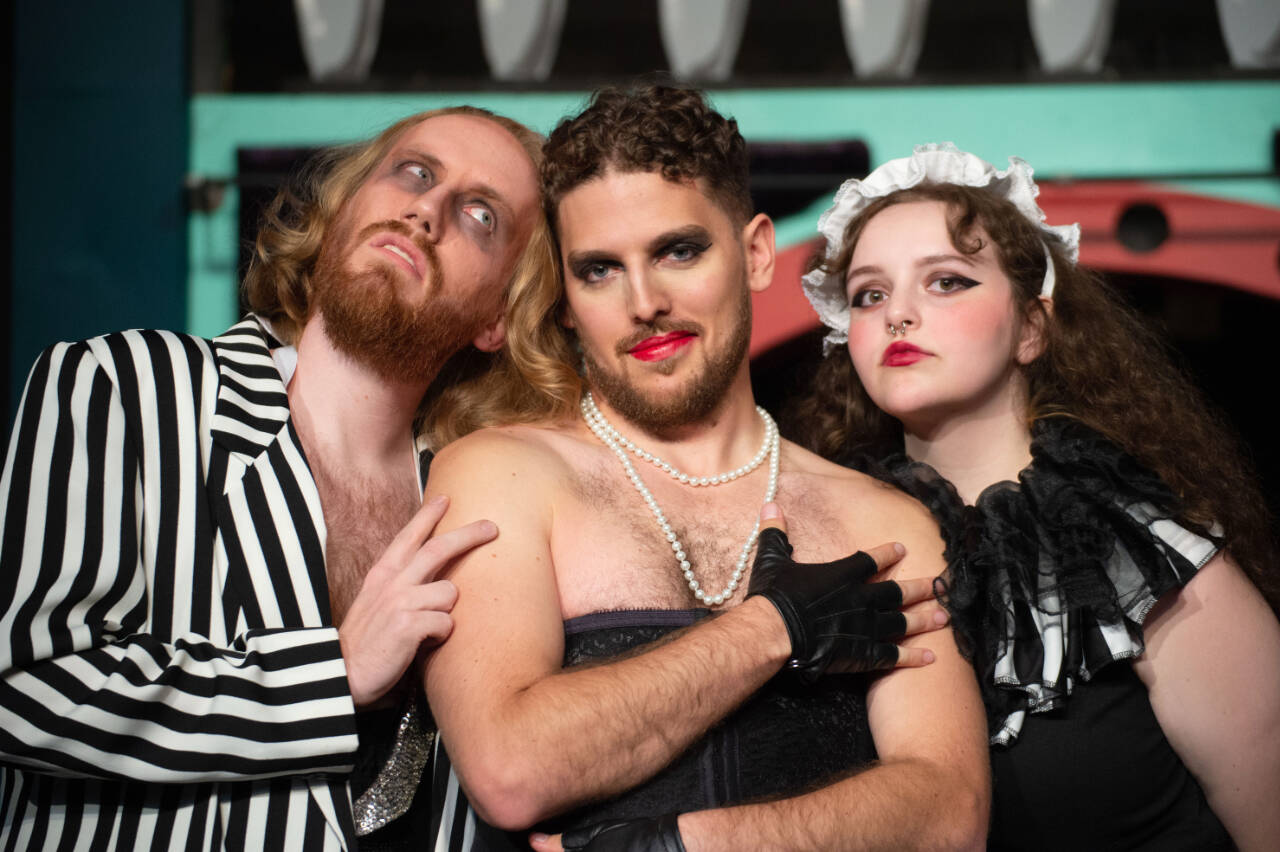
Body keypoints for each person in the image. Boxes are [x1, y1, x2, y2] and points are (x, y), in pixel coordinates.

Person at [420, 87, 989, 852]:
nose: (645, 301)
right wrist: (770, 630)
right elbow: (509, 769)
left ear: (756, 254)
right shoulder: (501, 477)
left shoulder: (883, 522)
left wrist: (690, 845)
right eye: (598, 271)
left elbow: (948, 814)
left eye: (678, 251)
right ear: (564, 299)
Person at [0, 105, 552, 850]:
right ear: (341, 210)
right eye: (414, 173)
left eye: (480, 215)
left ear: (497, 316)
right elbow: (24, 689)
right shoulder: (126, 385)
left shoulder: (480, 503)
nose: (428, 211)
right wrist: (334, 677)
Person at [796, 142, 1280, 851]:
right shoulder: (834, 546)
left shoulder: (1140, 556)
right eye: (871, 294)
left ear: (1031, 328)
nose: (898, 313)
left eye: (947, 282)